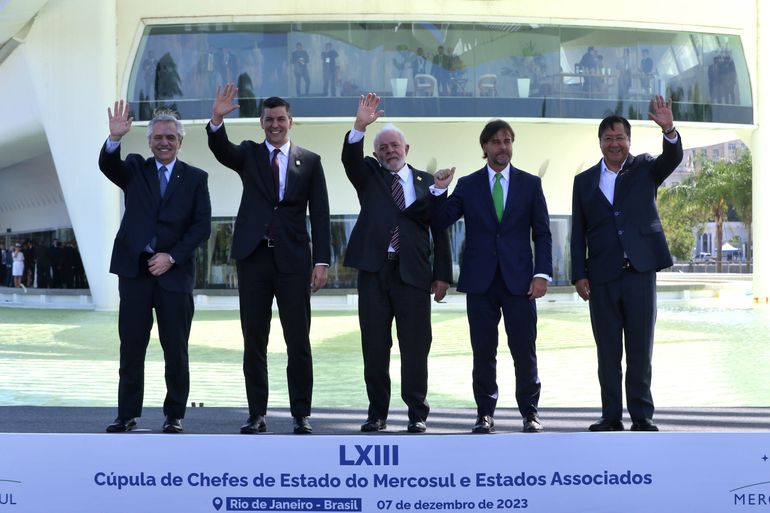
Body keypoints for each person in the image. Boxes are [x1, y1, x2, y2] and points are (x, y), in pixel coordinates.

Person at [207, 84, 330, 435]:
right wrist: (217, 118)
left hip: (294, 262)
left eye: (280, 119)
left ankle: (301, 414)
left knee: (298, 340)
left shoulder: (311, 162)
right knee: (254, 340)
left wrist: (321, 261)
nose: (275, 124)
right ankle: (257, 413)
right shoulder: (248, 154)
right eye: (268, 119)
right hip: (254, 259)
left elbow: (320, 215)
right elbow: (220, 148)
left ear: (291, 121)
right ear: (261, 123)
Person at [431, 119, 552, 434]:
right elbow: (440, 220)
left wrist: (541, 274)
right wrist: (438, 190)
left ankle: (530, 413)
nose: (503, 147)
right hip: (480, 282)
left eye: (508, 141)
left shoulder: (530, 184)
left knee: (524, 350)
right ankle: (484, 413)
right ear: (484, 147)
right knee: (483, 351)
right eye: (496, 142)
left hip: (521, 282)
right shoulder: (468, 185)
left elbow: (543, 233)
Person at [570, 96, 682, 432]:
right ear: (600, 142)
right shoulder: (585, 180)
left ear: (629, 141)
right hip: (602, 276)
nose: (614, 143)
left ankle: (642, 415)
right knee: (607, 352)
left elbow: (673, 157)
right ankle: (611, 415)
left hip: (639, 273)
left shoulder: (646, 168)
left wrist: (669, 130)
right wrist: (579, 274)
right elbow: (578, 231)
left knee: (639, 349)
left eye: (620, 137)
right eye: (608, 138)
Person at [342, 93, 452, 433]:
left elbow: (439, 229)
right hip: (375, 272)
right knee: (375, 346)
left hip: (414, 276)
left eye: (395, 145)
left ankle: (417, 413)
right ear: (376, 153)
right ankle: (377, 414)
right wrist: (360, 126)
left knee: (416, 348)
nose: (390, 150)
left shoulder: (428, 182)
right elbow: (349, 158)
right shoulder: (368, 175)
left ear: (407, 148)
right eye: (383, 147)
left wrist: (442, 275)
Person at [100, 101, 212, 434]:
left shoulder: (195, 178)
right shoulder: (134, 168)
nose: (164, 142)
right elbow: (109, 166)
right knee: (131, 346)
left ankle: (174, 414)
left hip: (174, 274)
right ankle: (127, 414)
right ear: (149, 142)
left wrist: (171, 257)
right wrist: (114, 139)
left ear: (180, 142)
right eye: (158, 137)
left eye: (170, 138)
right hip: (134, 272)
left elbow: (201, 227)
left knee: (175, 348)